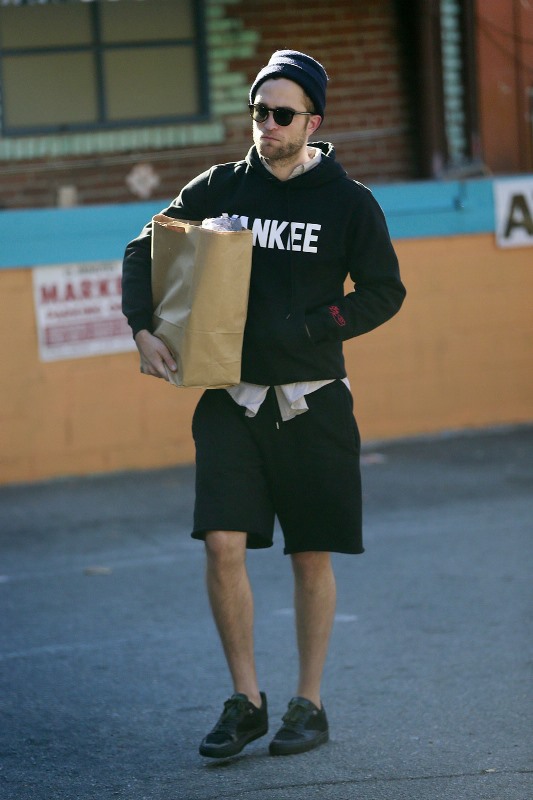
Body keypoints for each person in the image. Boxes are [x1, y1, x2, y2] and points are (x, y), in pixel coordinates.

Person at [122, 50, 406, 758]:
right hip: (232, 402)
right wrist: (142, 327)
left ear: (313, 122)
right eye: (259, 112)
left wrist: (315, 327)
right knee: (222, 544)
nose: (267, 125)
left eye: (282, 114)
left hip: (313, 403)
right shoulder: (222, 186)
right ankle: (246, 700)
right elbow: (143, 247)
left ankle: (309, 704)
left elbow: (384, 291)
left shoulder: (348, 202)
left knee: (309, 556)